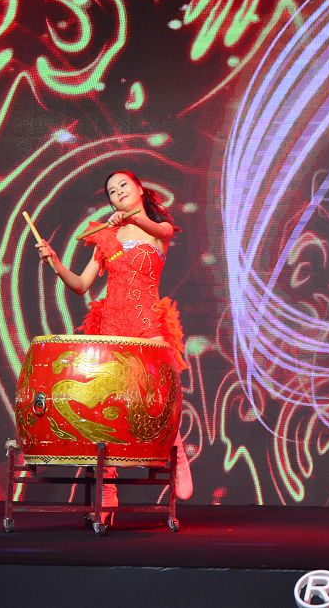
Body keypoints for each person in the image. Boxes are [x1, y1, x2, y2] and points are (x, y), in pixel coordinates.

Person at [35, 170, 194, 520]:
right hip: (111, 329)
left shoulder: (159, 230)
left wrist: (128, 218)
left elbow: (157, 229)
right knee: (103, 408)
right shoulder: (106, 235)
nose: (118, 192)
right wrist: (55, 262)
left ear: (140, 188)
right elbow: (81, 284)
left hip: (147, 326)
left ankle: (177, 452)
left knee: (159, 396)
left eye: (123, 185)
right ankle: (107, 490)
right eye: (111, 190)